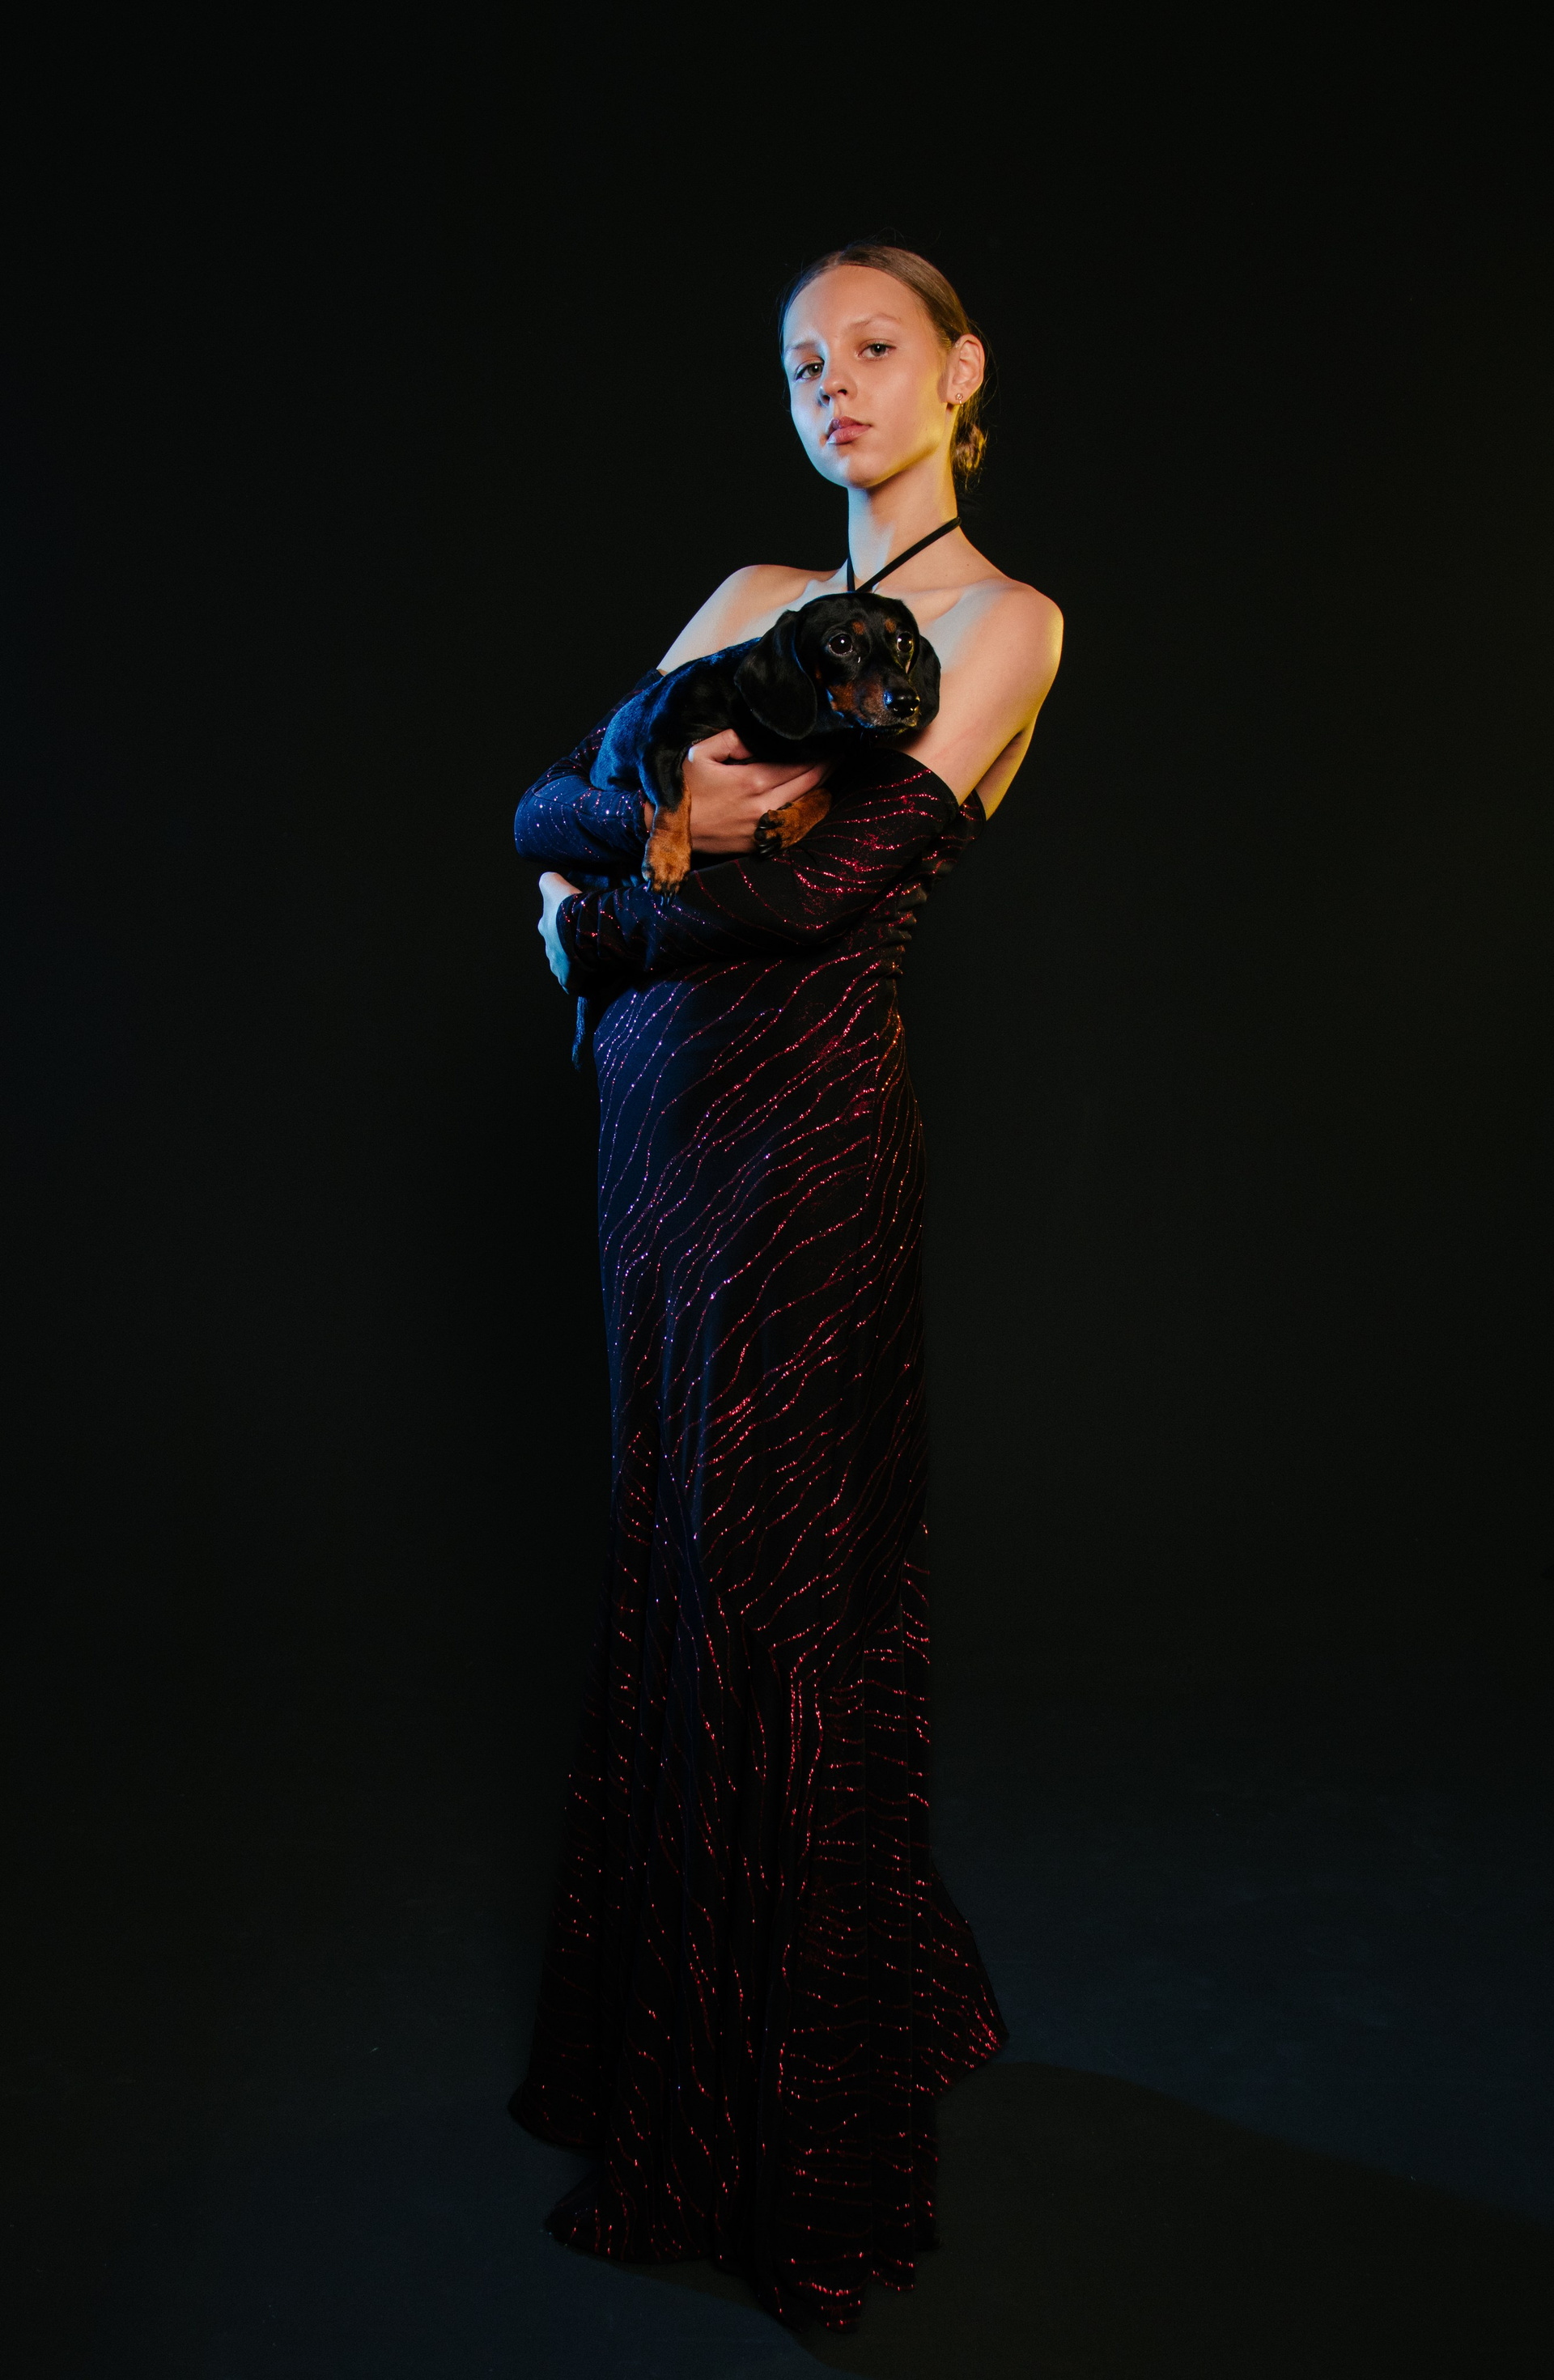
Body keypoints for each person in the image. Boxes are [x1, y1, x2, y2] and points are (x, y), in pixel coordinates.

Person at [510, 242, 1063, 2334]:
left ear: (961, 372)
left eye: (876, 348)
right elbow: (545, 803)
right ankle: (665, 2052)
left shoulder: (1005, 618)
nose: (836, 384)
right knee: (678, 1559)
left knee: (784, 1588)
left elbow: (830, 892)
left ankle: (796, 2124)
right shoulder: (750, 594)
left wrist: (606, 903)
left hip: (803, 1148)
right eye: (802, 361)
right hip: (648, 1136)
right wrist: (641, 833)